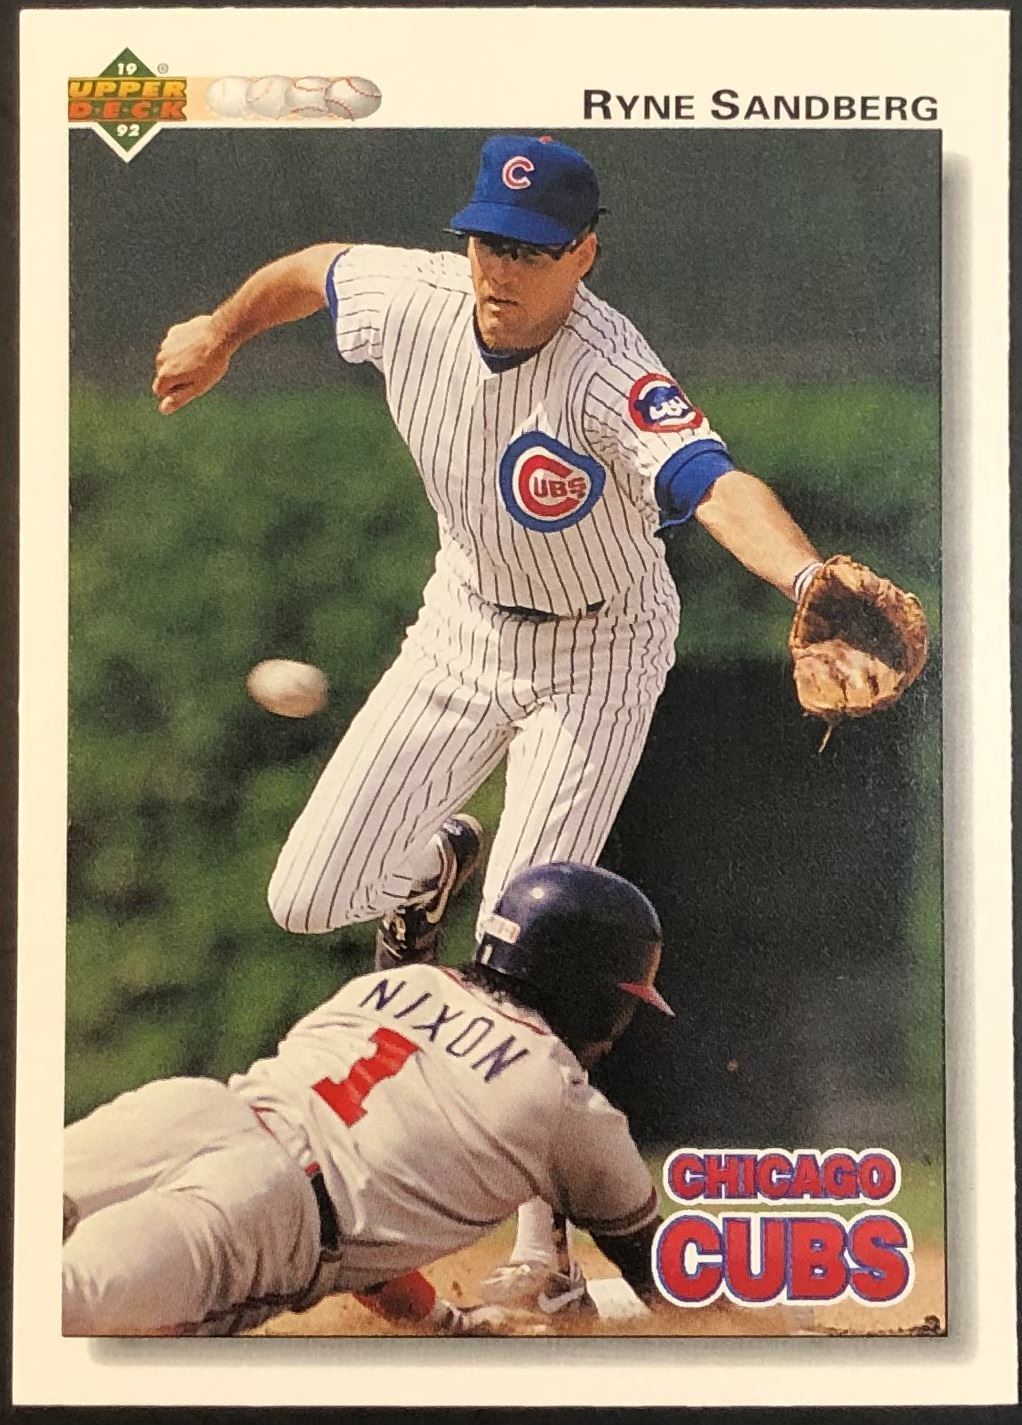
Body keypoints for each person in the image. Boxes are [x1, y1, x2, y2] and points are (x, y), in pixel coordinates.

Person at [151, 133, 823, 1307]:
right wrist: (219, 328)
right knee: (305, 895)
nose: (497, 268)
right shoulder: (415, 297)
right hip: (460, 624)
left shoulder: (609, 371)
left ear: (583, 254)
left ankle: (539, 1255)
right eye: (485, 241)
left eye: (528, 250)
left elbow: (711, 482)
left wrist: (806, 580)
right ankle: (429, 871)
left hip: (598, 650)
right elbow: (312, 268)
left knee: (527, 952)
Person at [63, 863, 673, 1337]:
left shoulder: (397, 982)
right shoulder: (566, 1101)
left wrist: (445, 1322)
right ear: (597, 998)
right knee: (58, 1313)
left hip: (191, 1112)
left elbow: (365, 1180)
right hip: (264, 1210)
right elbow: (670, 1278)